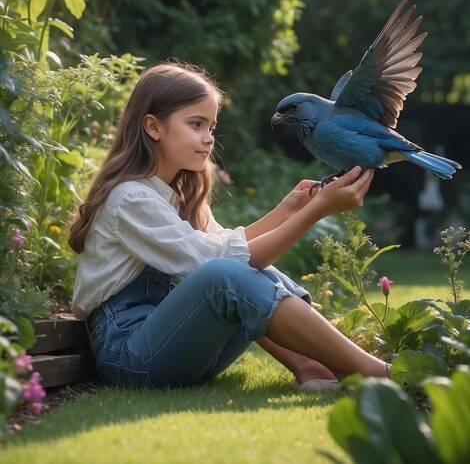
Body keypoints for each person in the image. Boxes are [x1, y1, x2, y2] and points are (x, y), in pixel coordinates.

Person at [69, 61, 390, 392]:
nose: (208, 139)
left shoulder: (174, 194)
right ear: (154, 126)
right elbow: (226, 266)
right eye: (196, 124)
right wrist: (318, 210)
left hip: (174, 348)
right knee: (228, 275)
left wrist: (286, 211)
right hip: (129, 357)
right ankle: (375, 373)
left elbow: (224, 247)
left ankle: (314, 368)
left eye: (211, 127)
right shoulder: (131, 199)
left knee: (242, 271)